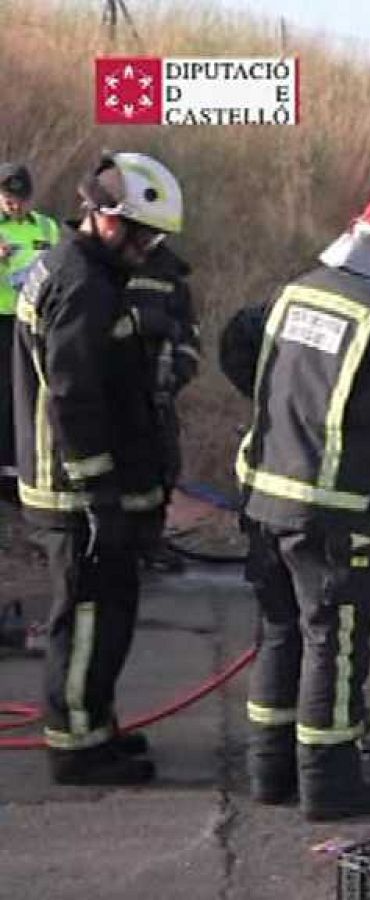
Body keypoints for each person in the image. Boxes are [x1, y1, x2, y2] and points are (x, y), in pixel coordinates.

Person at [235, 183, 370, 821]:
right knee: (334, 642)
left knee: (280, 633)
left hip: (263, 498)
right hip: (331, 510)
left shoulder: (294, 292)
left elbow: (236, 347)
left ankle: (268, 773)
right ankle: (329, 785)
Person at [12, 153, 182, 785]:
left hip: (83, 484)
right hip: (75, 490)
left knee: (108, 612)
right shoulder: (83, 284)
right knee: (87, 616)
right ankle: (77, 748)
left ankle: (96, 724)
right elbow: (73, 399)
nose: (149, 250)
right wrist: (99, 493)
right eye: (145, 237)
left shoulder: (82, 268)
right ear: (110, 220)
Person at [124, 242, 202, 573]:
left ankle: (150, 541)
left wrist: (175, 376)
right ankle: (117, 543)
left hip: (158, 394)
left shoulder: (171, 277)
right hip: (115, 393)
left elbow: (189, 337)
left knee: (164, 466)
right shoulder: (102, 270)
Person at [0, 162, 62, 502]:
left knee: (27, 396)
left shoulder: (47, 228)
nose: (15, 204)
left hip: (34, 323)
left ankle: (21, 471)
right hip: (0, 320)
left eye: (20, 198)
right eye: (8, 197)